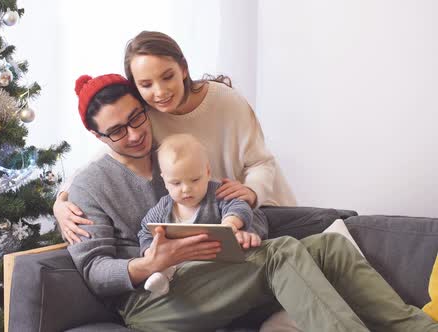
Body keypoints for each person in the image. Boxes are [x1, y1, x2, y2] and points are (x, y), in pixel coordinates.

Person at [67, 72, 438, 331]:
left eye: (137, 118)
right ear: (98, 136)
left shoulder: (178, 156)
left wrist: (244, 227)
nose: (134, 134)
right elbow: (95, 271)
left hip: (213, 278)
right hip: (153, 302)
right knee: (281, 253)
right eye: (117, 130)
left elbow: (246, 213)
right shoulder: (89, 186)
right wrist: (145, 264)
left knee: (329, 247)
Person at [56, 30, 294, 244]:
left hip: (262, 209)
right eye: (146, 84)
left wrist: (252, 192)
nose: (160, 92)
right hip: (219, 226)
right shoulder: (144, 119)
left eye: (167, 76)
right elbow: (106, 154)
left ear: (183, 68)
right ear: (136, 87)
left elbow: (261, 161)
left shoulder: (225, 101)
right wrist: (61, 200)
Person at [138, 133, 266, 299]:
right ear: (164, 180)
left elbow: (239, 205)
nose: (186, 189)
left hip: (214, 264)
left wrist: (230, 223)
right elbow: (145, 230)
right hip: (179, 266)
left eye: (195, 180)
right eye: (176, 183)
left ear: (207, 172)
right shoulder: (163, 207)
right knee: (165, 263)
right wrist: (149, 250)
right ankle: (162, 279)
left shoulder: (217, 194)